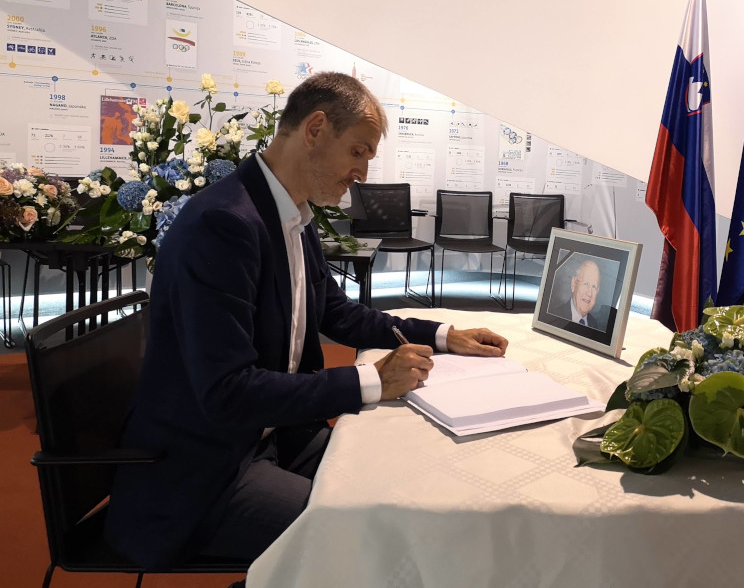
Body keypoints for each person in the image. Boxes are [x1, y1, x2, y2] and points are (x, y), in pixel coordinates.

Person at [104, 72, 508, 570]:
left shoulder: (288, 212)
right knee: (382, 538)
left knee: (407, 485)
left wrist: (444, 336)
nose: (362, 173)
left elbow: (335, 313)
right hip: (208, 472)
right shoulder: (223, 224)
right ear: (315, 129)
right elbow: (227, 393)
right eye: (358, 152)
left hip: (272, 437)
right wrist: (371, 380)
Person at [549, 258, 606, 329]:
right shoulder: (553, 318)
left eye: (594, 287)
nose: (589, 293)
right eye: (586, 284)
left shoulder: (594, 325)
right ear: (574, 283)